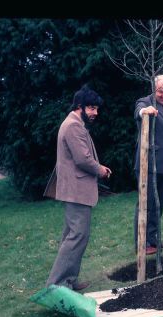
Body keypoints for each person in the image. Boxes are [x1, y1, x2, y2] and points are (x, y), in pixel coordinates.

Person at [43, 84, 112, 291]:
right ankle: (56, 286)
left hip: (74, 189)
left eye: (96, 109)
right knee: (77, 236)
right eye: (91, 108)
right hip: (76, 191)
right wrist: (101, 170)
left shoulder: (74, 123)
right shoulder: (73, 126)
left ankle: (68, 282)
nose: (95, 113)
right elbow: (83, 159)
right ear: (79, 106)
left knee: (72, 236)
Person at [133, 75, 163, 255]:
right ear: (154, 89)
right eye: (161, 91)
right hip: (149, 164)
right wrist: (145, 112)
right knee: (146, 204)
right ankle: (141, 244)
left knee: (159, 204)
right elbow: (139, 110)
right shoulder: (145, 102)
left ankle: (153, 240)